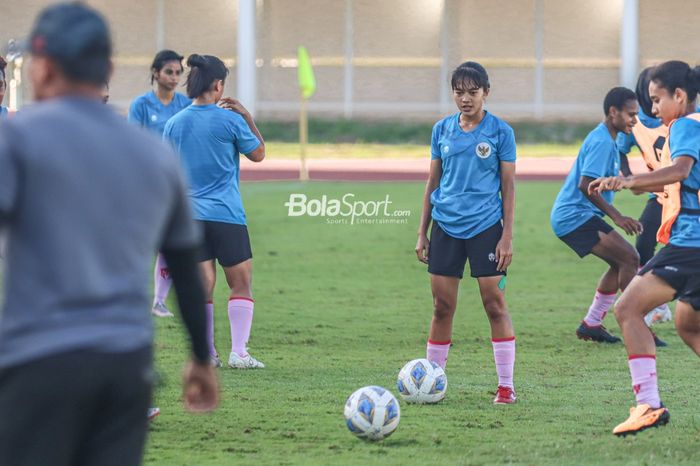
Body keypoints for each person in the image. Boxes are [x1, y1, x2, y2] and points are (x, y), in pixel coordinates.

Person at [0, 4, 218, 465]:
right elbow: (184, 262)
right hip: (124, 367)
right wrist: (201, 357)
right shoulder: (154, 156)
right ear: (109, 70)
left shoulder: (18, 141)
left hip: (40, 360)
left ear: (41, 68)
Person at [590, 61, 700, 436]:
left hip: (691, 244)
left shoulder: (684, 124)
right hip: (690, 242)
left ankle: (648, 405)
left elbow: (682, 169)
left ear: (679, 97)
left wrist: (632, 182)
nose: (652, 110)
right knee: (688, 324)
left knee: (627, 308)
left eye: (657, 100)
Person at [415, 61, 518, 404]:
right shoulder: (441, 130)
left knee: (495, 304)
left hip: (487, 229)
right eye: (459, 92)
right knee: (442, 307)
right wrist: (422, 232)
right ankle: (432, 383)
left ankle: (506, 387)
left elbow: (508, 186)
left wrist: (507, 236)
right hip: (445, 227)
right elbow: (433, 182)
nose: (465, 99)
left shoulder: (501, 132)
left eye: (472, 92)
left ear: (486, 92)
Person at [163, 54, 266, 369]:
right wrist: (248, 117)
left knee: (202, 287)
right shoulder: (231, 120)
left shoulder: (173, 123)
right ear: (218, 85)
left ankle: (207, 353)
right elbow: (259, 154)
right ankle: (239, 353)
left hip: (189, 218)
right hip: (226, 215)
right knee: (241, 284)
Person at [550, 87, 641, 344]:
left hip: (577, 216)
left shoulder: (608, 138)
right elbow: (586, 184)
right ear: (613, 112)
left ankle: (592, 323)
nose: (634, 120)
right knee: (630, 257)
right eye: (630, 114)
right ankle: (636, 323)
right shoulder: (602, 141)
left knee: (621, 261)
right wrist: (618, 217)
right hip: (574, 216)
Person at [128, 49, 191, 318]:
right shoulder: (141, 105)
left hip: (174, 183)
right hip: (145, 183)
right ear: (156, 73)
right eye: (169, 72)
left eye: (178, 72)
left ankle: (159, 301)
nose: (174, 77)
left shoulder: (185, 105)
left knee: (169, 241)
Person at [617, 68, 673, 333]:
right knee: (644, 245)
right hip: (660, 193)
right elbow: (620, 150)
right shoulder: (636, 123)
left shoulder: (682, 120)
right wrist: (629, 178)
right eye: (650, 97)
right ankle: (657, 304)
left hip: (685, 195)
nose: (654, 104)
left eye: (658, 97)